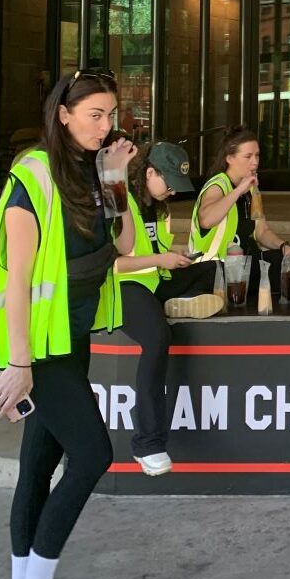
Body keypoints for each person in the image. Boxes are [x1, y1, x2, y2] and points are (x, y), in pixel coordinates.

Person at [0, 69, 140, 579]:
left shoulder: (92, 172)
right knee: (93, 453)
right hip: (39, 350)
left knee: (38, 463)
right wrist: (17, 364)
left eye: (110, 113)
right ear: (63, 114)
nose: (105, 125)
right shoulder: (33, 176)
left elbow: (122, 249)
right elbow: (16, 281)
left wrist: (119, 179)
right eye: (93, 114)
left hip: (71, 339)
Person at [117, 140, 223, 478]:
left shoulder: (158, 206)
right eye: (169, 185)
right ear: (149, 173)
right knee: (157, 338)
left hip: (156, 281)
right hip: (124, 287)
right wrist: (162, 260)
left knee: (212, 267)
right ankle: (148, 443)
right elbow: (114, 264)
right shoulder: (121, 203)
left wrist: (174, 262)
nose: (172, 194)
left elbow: (156, 254)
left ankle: (181, 302)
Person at [190, 126, 290, 297]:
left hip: (248, 262)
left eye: (257, 156)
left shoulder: (251, 189)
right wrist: (238, 191)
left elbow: (261, 231)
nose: (255, 162)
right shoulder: (218, 185)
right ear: (229, 158)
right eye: (248, 156)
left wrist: (283, 246)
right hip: (218, 268)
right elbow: (206, 220)